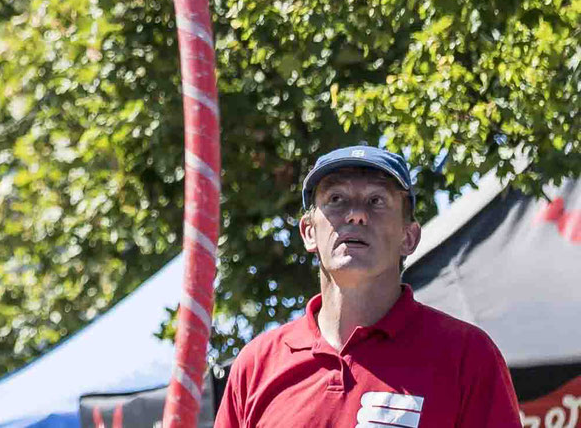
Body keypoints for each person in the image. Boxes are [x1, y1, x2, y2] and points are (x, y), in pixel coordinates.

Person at [215, 145, 522, 428]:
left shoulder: (467, 356)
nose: (356, 214)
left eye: (376, 201)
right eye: (336, 200)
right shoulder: (256, 365)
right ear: (309, 232)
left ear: (409, 237)